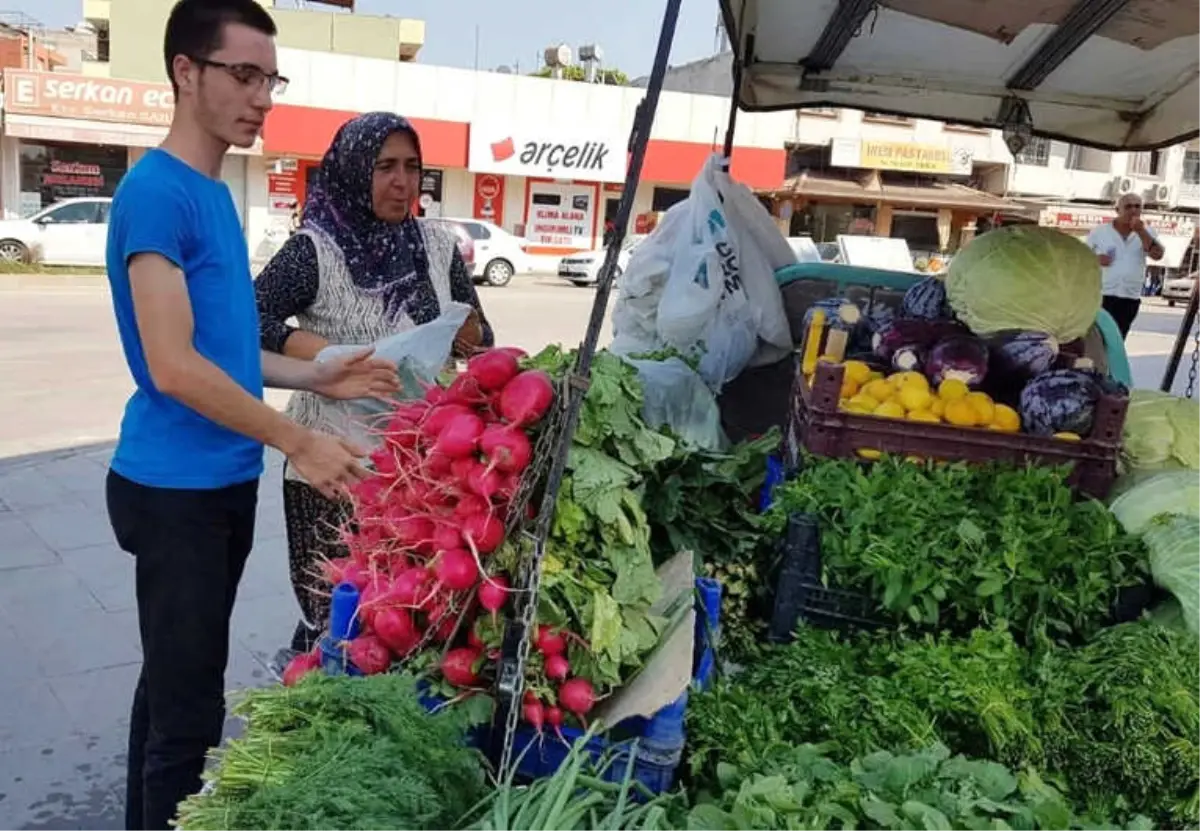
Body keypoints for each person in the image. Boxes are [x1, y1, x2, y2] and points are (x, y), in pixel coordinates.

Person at [103, 3, 400, 829]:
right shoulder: (158, 193)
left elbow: (225, 356)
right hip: (175, 491)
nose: (262, 95)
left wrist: (323, 377)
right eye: (243, 73)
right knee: (189, 717)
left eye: (270, 77)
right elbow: (172, 365)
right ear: (185, 72)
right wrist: (296, 436)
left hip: (218, 482)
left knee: (171, 683)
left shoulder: (208, 192)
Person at [255, 111, 494, 669]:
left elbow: (480, 340)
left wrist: (469, 335)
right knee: (336, 610)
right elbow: (243, 318)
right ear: (352, 171)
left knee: (403, 616)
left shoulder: (437, 248)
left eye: (412, 167)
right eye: (384, 166)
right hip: (332, 463)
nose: (401, 182)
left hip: (423, 465)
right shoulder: (314, 250)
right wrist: (320, 353)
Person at [1086, 193, 1164, 339]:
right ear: (1118, 210)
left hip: (1129, 296)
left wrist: (1141, 231)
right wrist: (1096, 259)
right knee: (1097, 339)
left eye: (1137, 206)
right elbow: (1082, 257)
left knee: (1117, 339)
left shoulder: (1147, 232)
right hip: (1102, 295)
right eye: (1128, 206)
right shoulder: (1100, 232)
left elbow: (1158, 255)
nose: (1133, 210)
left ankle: (1112, 363)